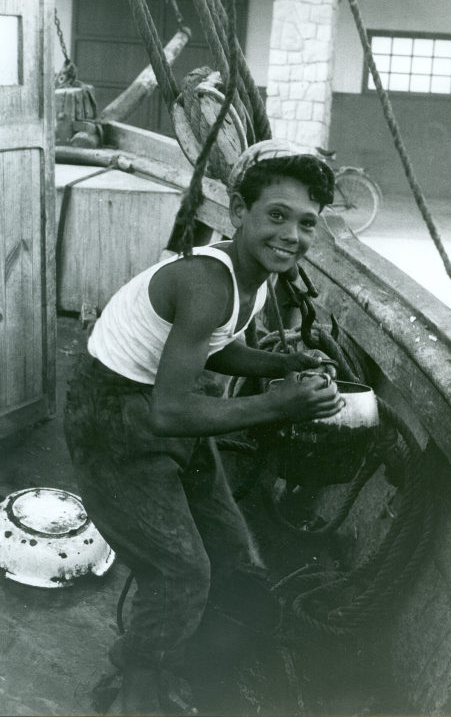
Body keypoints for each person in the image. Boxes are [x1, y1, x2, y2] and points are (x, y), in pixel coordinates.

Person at [63, 139, 344, 715]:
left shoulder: (252, 274)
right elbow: (168, 413)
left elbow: (215, 348)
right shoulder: (205, 283)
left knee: (232, 550)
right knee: (180, 569)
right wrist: (282, 404)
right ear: (238, 212)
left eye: (307, 223)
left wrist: (282, 364)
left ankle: (185, 655)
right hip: (112, 416)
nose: (292, 235)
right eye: (276, 216)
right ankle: (134, 686)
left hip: (165, 402)